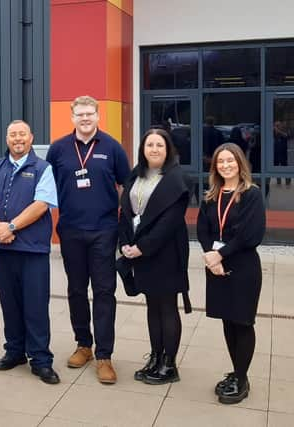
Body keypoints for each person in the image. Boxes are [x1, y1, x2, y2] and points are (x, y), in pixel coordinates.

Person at [46, 95, 130, 384]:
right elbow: (46, 188)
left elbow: (127, 187)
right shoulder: (58, 150)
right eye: (80, 114)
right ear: (72, 118)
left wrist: (128, 228)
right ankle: (84, 344)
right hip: (70, 230)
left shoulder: (112, 148)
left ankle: (105, 355)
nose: (85, 118)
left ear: (98, 116)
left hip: (105, 230)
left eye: (89, 114)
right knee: (77, 290)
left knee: (105, 292)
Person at [0, 120, 60, 384]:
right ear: (6, 139)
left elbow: (42, 204)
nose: (17, 139)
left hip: (32, 250)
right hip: (1, 248)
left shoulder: (43, 168)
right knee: (9, 303)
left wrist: (11, 226)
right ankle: (14, 351)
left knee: (35, 305)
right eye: (12, 135)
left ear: (31, 137)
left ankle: (41, 359)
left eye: (22, 134)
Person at [118, 128, 191, 385]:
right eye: (150, 145)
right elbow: (126, 212)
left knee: (167, 306)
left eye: (160, 145)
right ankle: (156, 357)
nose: (155, 149)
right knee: (152, 306)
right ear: (143, 149)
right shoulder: (136, 175)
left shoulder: (177, 179)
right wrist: (125, 243)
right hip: (140, 253)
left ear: (168, 149)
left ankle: (169, 365)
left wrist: (143, 247)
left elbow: (170, 222)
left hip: (167, 253)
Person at [197, 142, 266, 405]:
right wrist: (209, 256)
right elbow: (203, 229)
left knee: (242, 322)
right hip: (215, 267)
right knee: (227, 321)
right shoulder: (211, 195)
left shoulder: (251, 195)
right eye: (220, 161)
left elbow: (251, 235)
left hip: (242, 267)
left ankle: (242, 379)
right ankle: (236, 372)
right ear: (215, 166)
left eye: (230, 161)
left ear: (240, 163)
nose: (226, 165)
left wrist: (220, 255)